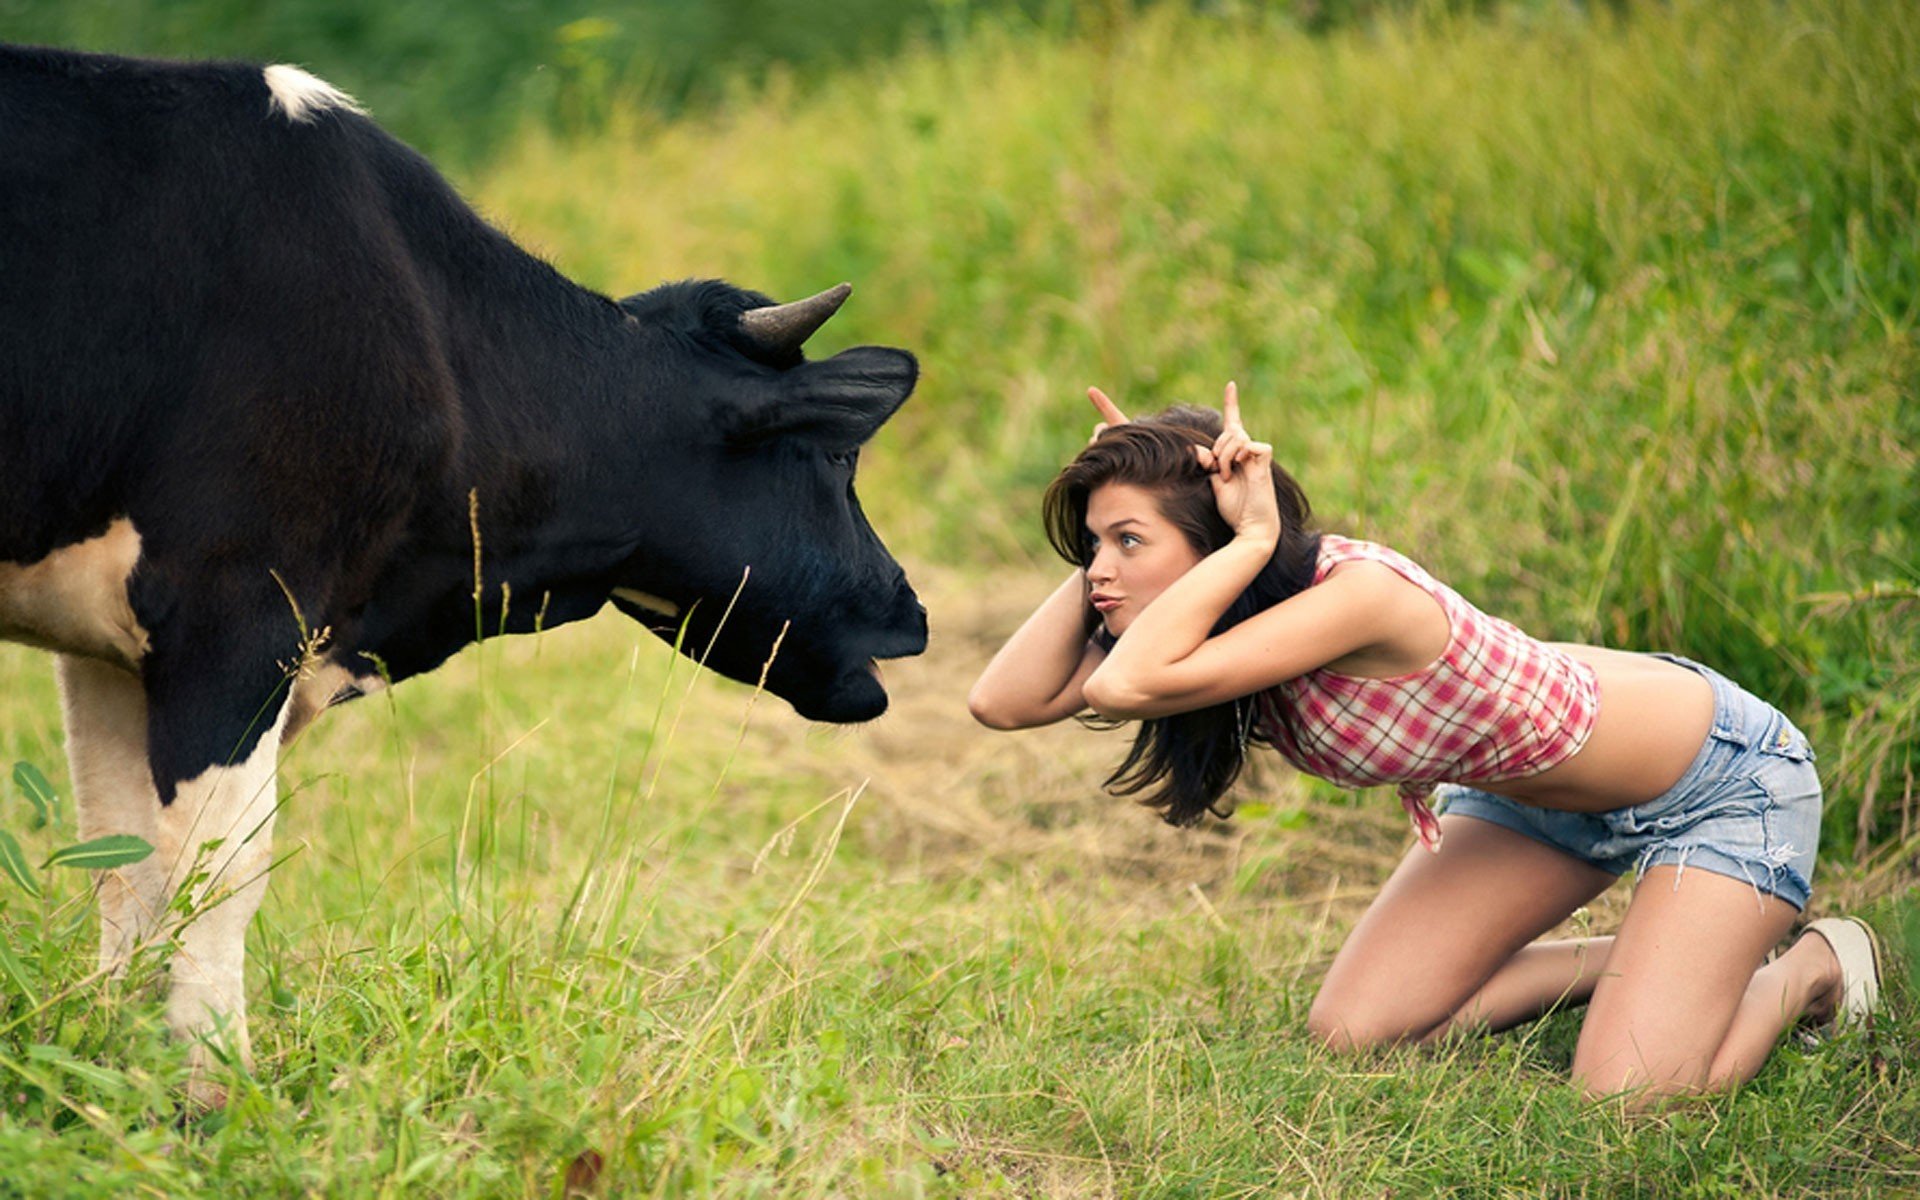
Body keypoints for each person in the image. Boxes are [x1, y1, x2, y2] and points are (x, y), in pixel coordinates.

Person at [968, 383, 1883, 1101]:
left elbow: (1121, 687)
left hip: (1718, 784)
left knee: (1628, 1099)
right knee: (1356, 1031)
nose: (1100, 570)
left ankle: (1810, 966)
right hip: (1529, 803)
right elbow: (1002, 702)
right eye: (1094, 545)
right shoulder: (1198, 626)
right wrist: (1118, 536)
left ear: (1214, 545)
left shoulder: (1354, 596)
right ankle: (1657, 958)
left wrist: (1248, 539)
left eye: (1128, 543)